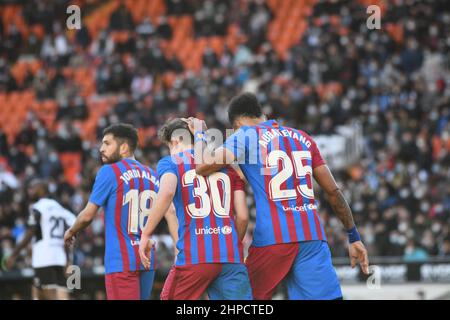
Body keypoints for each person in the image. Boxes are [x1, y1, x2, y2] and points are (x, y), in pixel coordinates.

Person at [186, 92, 370, 300]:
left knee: (237, 299)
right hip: (312, 237)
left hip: (273, 238)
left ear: (237, 123)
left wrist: (200, 134)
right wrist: (353, 236)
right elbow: (333, 192)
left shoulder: (245, 135)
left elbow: (202, 167)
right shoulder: (303, 138)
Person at [138, 118, 252, 300]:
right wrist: (228, 246)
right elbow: (243, 217)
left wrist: (146, 234)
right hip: (231, 258)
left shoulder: (170, 162)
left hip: (196, 256)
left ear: (175, 141)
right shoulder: (227, 167)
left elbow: (166, 192)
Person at [63, 123, 178, 300]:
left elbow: (87, 216)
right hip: (147, 257)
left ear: (124, 147)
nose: (101, 149)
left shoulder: (109, 171)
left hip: (121, 260)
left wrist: (71, 231)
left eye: (107, 143)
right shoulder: (152, 174)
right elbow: (170, 212)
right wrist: (178, 249)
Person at [3, 179, 75, 300]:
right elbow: (72, 228)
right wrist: (68, 259)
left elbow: (30, 233)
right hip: (60, 258)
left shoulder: (38, 207)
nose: (30, 190)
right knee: (61, 293)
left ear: (42, 189)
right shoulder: (61, 209)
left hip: (44, 257)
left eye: (33, 187)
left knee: (42, 294)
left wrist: (14, 254)